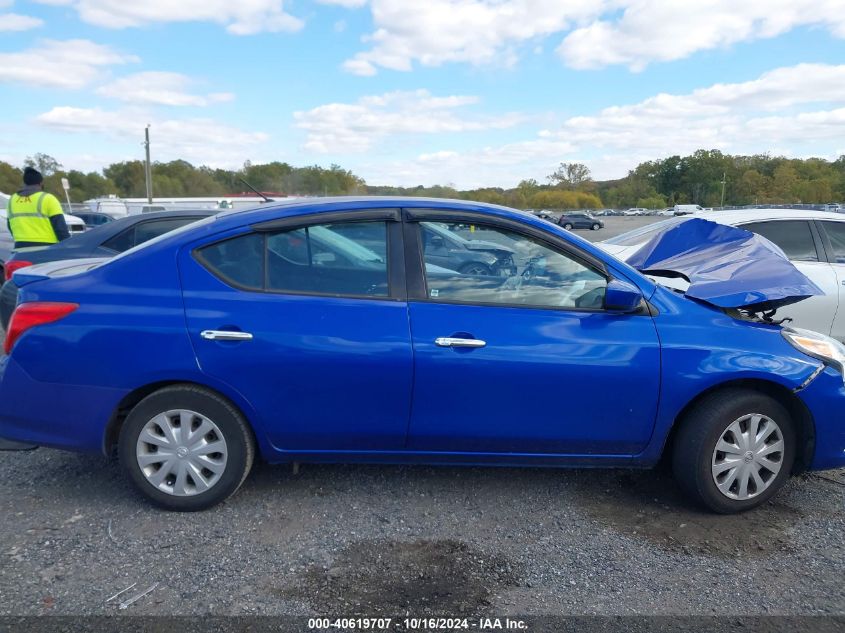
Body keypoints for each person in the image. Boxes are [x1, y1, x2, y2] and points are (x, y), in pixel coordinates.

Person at [5, 166, 70, 248]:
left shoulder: (12, 200)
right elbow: (61, 229)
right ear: (40, 183)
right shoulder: (48, 199)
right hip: (46, 247)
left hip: (20, 247)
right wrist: (67, 246)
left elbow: (9, 225)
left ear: (25, 183)